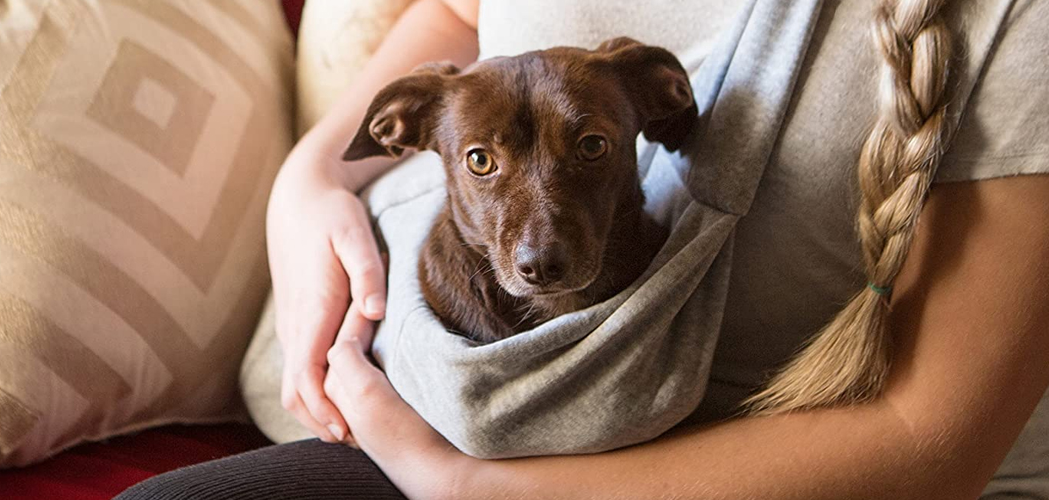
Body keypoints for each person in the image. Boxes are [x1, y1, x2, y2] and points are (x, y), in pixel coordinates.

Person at [117, 0, 1049, 498]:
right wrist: (310, 180)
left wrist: (463, 489)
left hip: (760, 474)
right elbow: (459, 17)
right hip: (477, 418)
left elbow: (926, 450)